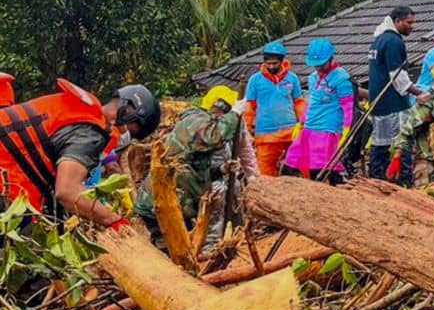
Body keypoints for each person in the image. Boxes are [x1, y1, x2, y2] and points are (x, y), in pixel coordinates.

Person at [0, 80, 159, 229]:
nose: (124, 132)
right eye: (131, 128)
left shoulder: (77, 110)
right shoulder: (90, 133)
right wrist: (113, 221)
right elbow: (67, 192)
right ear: (128, 110)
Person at [133, 86, 258, 248]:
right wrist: (234, 115)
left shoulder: (203, 125)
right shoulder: (195, 123)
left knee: (186, 241)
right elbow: (216, 135)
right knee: (174, 246)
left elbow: (195, 170)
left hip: (177, 200)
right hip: (159, 204)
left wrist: (222, 170)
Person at [368, 6, 431, 182]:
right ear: (397, 22)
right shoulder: (394, 42)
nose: (412, 26)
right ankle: (404, 184)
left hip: (378, 102)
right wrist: (419, 93)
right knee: (402, 144)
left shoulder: (379, 40)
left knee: (379, 143)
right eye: (409, 22)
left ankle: (375, 180)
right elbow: (398, 77)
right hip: (393, 103)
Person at [282, 39, 355, 184]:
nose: (319, 68)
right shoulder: (313, 78)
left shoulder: (341, 79)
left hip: (328, 129)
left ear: (330, 59)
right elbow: (311, 102)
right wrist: (301, 123)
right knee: (292, 161)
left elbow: (348, 107)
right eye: (316, 65)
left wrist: (347, 129)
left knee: (323, 166)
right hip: (310, 126)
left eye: (322, 65)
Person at [242, 41, 305, 176]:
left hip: (291, 132)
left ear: (282, 61)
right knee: (265, 175)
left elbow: (298, 102)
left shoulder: (292, 78)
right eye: (268, 63)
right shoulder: (255, 80)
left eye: (274, 63)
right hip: (266, 134)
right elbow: (249, 107)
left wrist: (304, 122)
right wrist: (247, 130)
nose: (271, 66)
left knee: (299, 171)